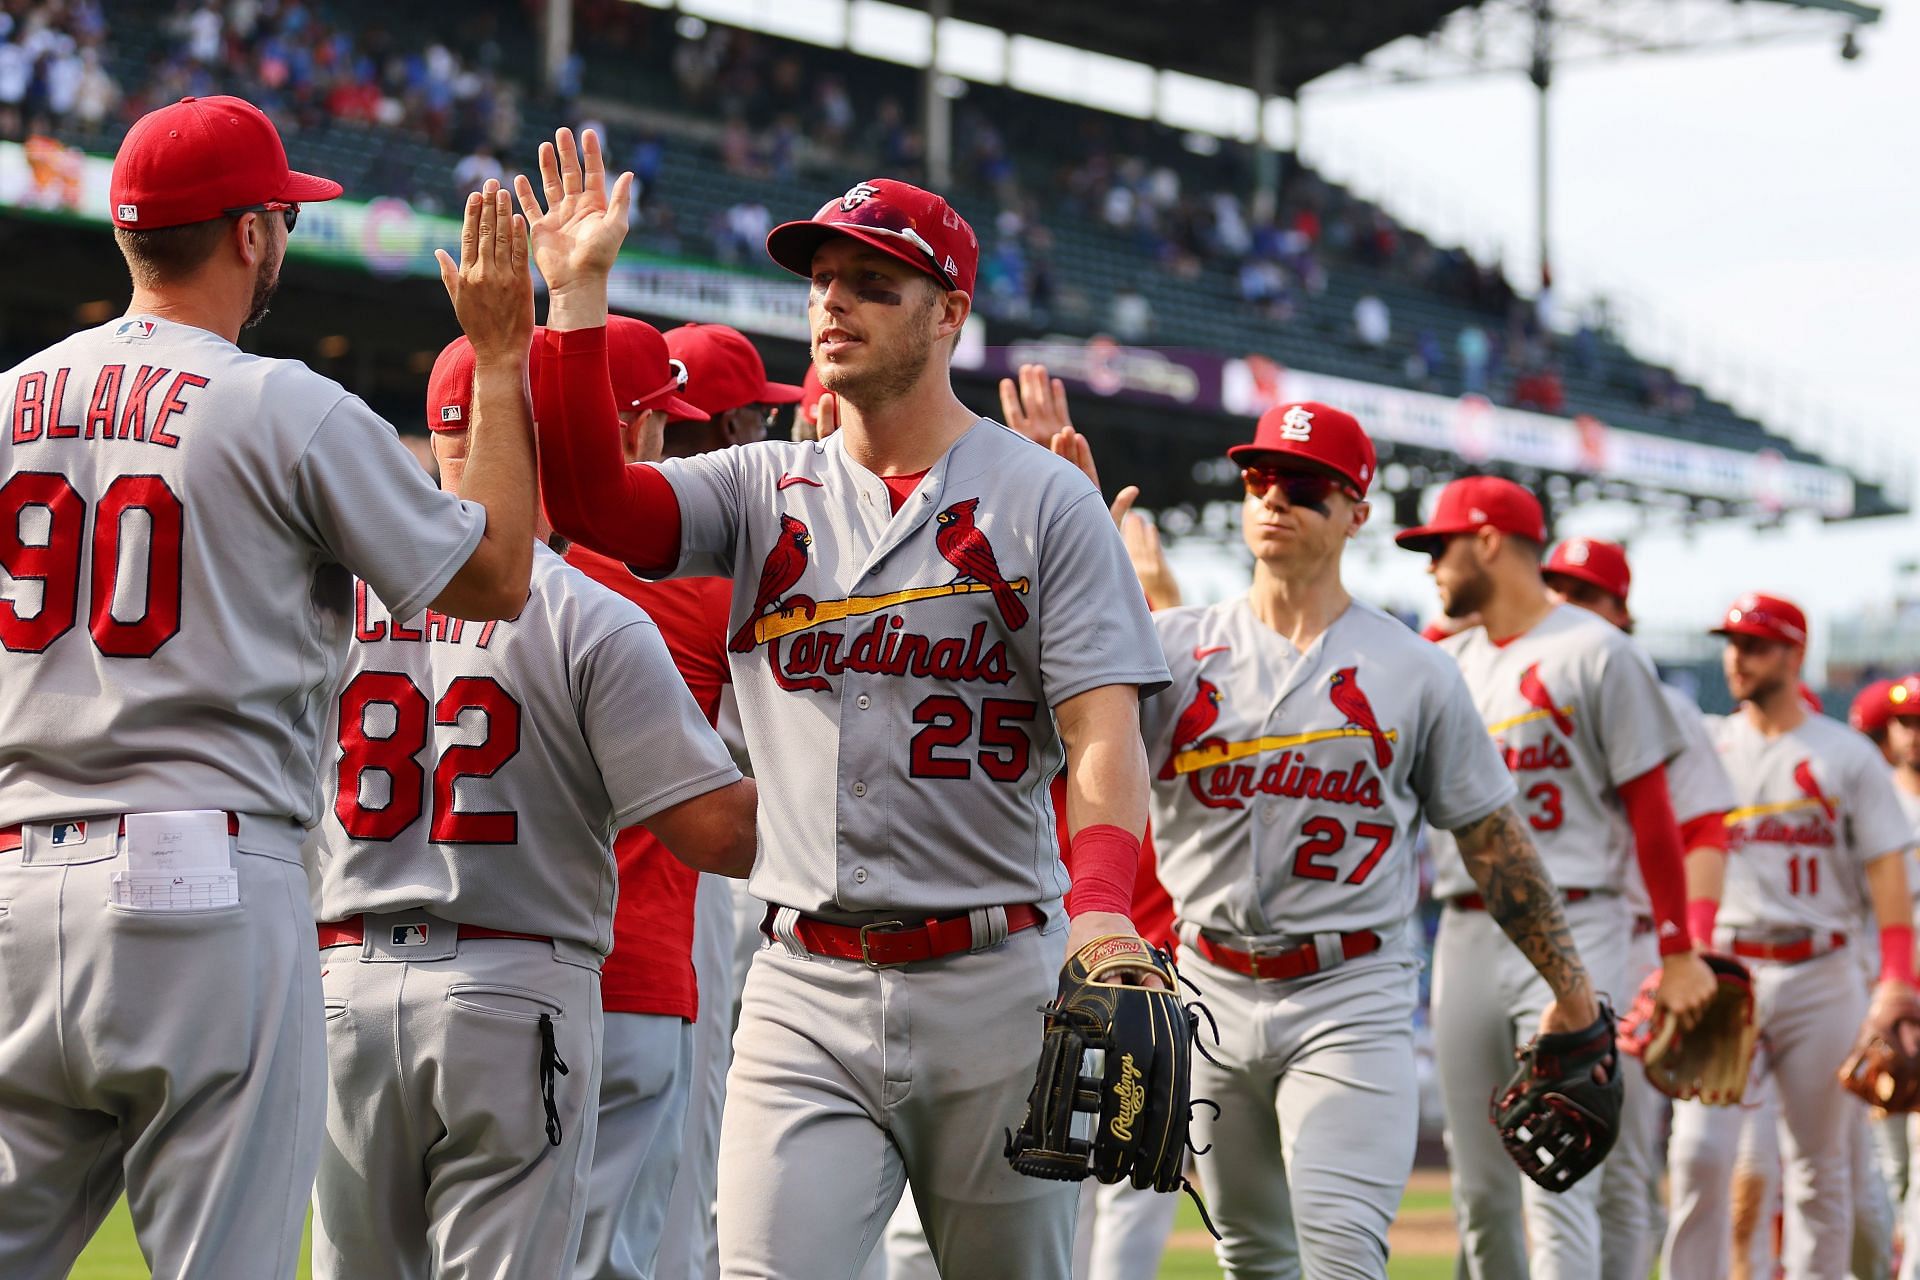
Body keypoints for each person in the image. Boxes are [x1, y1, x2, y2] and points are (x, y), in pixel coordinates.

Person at [521, 129, 1171, 1279]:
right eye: (823, 279)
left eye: (876, 282)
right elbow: (592, 498)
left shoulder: (1043, 502)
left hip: (994, 971)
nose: (836, 303)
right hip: (800, 979)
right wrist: (575, 299)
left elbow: (1101, 734)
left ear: (947, 313)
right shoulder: (763, 485)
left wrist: (1106, 906)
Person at [0, 95, 540, 1279]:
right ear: (249, 235)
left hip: (15, 877)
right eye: (281, 216)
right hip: (202, 881)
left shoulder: (10, 398)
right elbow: (497, 578)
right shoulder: (278, 400)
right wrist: (500, 356)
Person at [309, 336, 758, 1280]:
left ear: (436, 443)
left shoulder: (325, 599)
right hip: (516, 982)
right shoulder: (589, 606)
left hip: (343, 979)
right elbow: (719, 831)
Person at [1131, 407, 1610, 1278]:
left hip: (1348, 991)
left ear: (1357, 511)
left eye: (1304, 485)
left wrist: (1573, 993)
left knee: (1344, 1253)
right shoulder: (1172, 650)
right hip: (1204, 985)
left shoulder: (1416, 669)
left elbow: (1495, 844)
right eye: (1258, 479)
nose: (1275, 498)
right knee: (1251, 1256)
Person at [1396, 476, 1716, 1280]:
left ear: (1491, 541)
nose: (1432, 562)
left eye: (1442, 543)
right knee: (1480, 1192)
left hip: (1581, 922)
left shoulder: (1598, 649)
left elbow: (1654, 814)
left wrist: (1678, 949)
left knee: (1561, 1176)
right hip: (1465, 923)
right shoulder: (1445, 663)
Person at [1663, 594, 1916, 1280]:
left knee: (1819, 1169)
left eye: (1755, 644)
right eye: (1731, 643)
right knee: (1697, 1154)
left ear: (1794, 653)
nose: (1736, 657)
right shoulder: (1708, 745)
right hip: (1727, 968)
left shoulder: (1846, 757)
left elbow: (1890, 881)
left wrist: (1896, 979)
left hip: (1822, 968)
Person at [636, 320, 801, 1280]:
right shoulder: (731, 574)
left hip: (525, 886)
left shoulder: (566, 556)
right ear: (731, 420)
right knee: (693, 1188)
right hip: (706, 876)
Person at [1543, 537, 1735, 1280]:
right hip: (1519, 935)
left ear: (1623, 613)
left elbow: (1702, 829)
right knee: (1503, 1162)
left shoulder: (1666, 705)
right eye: (1556, 587)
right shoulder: (1513, 677)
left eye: (1585, 593)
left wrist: (1686, 954)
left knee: (1615, 1159)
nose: (1566, 605)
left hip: (1623, 940)